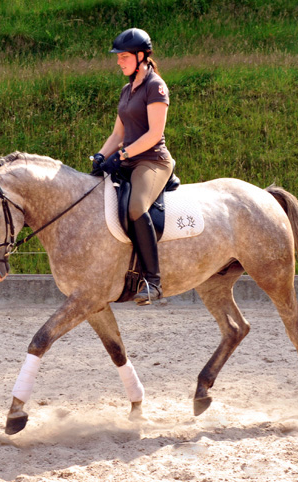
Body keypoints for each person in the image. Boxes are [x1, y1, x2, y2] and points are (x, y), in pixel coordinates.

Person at [91, 28, 174, 305]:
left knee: (136, 207)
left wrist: (122, 155)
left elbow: (153, 134)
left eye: (124, 56)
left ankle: (153, 281)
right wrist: (101, 157)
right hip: (128, 159)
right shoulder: (127, 89)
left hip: (152, 161)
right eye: (118, 57)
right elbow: (117, 134)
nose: (119, 61)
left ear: (141, 56)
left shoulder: (155, 86)